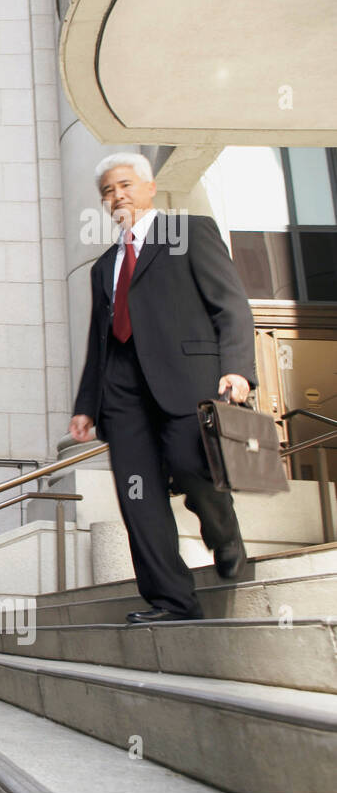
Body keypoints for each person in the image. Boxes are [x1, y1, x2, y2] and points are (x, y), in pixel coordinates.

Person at [69, 153, 256, 623]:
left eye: (125, 185)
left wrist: (238, 369)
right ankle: (172, 601)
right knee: (138, 499)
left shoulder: (190, 233)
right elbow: (100, 341)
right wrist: (87, 405)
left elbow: (230, 305)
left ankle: (225, 534)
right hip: (122, 396)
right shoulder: (103, 266)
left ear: (150, 188)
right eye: (108, 191)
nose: (117, 197)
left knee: (193, 466)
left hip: (186, 382)